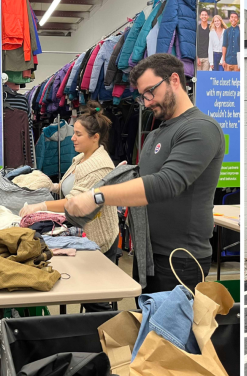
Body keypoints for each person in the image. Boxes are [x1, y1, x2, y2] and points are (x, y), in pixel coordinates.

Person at [65, 54, 225, 294]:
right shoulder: (157, 133)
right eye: (143, 96)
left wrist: (98, 195)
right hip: (148, 252)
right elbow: (146, 180)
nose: (147, 102)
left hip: (180, 259)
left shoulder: (200, 128)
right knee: (148, 326)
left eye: (151, 92)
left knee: (171, 331)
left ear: (174, 80)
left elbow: (167, 184)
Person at [19, 102, 120, 311]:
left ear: (95, 137)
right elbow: (68, 187)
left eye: (78, 134)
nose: (72, 138)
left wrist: (40, 205)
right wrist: (48, 184)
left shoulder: (99, 166)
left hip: (98, 236)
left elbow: (75, 202)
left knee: (95, 299)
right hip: (81, 231)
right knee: (88, 292)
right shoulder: (81, 158)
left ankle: (105, 338)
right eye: (74, 133)